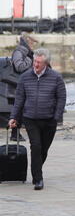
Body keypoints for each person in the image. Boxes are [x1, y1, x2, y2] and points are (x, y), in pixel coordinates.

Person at [8, 48, 66, 190]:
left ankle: (36, 170)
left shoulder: (56, 77)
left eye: (39, 62)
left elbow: (61, 98)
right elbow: (19, 100)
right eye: (35, 61)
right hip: (30, 118)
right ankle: (38, 178)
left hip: (49, 120)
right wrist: (13, 117)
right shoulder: (25, 77)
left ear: (46, 63)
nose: (36, 65)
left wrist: (56, 117)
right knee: (36, 147)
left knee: (43, 150)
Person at [6, 32, 38, 141]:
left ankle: (16, 133)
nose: (34, 45)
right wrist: (30, 59)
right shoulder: (19, 51)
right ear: (28, 41)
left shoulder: (27, 52)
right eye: (33, 42)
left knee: (22, 110)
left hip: (25, 85)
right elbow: (19, 67)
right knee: (19, 110)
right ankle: (15, 134)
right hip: (17, 86)